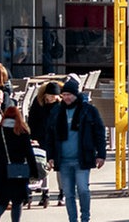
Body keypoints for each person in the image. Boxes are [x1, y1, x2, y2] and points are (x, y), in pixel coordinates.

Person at [45, 76, 106, 220]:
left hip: (82, 158)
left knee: (83, 190)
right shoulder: (56, 112)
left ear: (76, 95)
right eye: (64, 95)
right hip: (63, 159)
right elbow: (50, 136)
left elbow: (99, 132)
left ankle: (85, 217)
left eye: (69, 95)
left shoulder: (88, 110)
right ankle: (72, 219)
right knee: (68, 194)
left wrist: (101, 154)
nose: (66, 98)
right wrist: (51, 156)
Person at [0, 105, 39, 222]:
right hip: (18, 171)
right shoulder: (22, 131)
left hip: (0, 170)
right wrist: (34, 171)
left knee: (2, 199)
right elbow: (29, 154)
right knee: (17, 201)